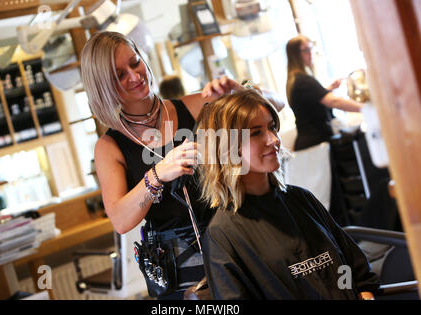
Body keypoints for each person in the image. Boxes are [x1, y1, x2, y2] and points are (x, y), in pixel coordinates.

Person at [80, 31, 245, 299]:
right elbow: (120, 220)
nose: (134, 76)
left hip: (233, 242)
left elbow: (274, 110)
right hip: (178, 269)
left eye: (135, 63)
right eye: (119, 75)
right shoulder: (109, 148)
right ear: (102, 86)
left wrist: (241, 93)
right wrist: (157, 174)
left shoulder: (194, 106)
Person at [196, 89, 380, 300]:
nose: (274, 140)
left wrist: (366, 295)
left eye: (272, 127)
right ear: (227, 147)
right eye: (256, 133)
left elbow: (357, 272)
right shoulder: (223, 235)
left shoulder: (302, 200)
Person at [286, 35, 363, 151]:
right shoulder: (303, 81)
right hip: (315, 144)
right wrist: (365, 108)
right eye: (306, 50)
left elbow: (312, 102)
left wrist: (329, 89)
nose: (310, 53)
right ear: (295, 55)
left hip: (313, 142)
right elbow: (334, 101)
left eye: (311, 48)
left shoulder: (296, 80)